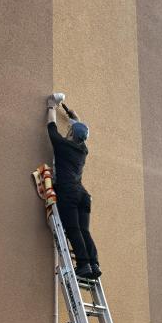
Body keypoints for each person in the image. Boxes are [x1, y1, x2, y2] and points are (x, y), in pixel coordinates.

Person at [46, 96, 101, 279]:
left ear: (70, 134)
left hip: (68, 192)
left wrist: (51, 106)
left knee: (73, 229)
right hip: (83, 195)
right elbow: (79, 130)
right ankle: (94, 264)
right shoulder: (83, 150)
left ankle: (84, 265)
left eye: (70, 130)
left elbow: (51, 127)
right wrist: (73, 117)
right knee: (84, 230)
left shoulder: (61, 145)